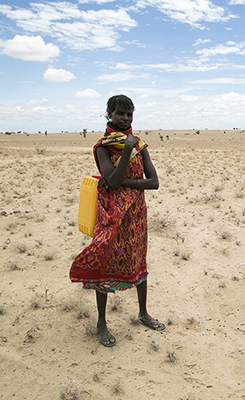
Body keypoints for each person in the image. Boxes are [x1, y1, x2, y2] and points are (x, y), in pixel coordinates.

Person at [70, 94, 164, 347]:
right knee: (105, 260)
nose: (125, 118)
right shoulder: (103, 146)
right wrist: (126, 150)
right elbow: (111, 180)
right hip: (111, 215)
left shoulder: (140, 145)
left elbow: (153, 183)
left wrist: (119, 181)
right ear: (109, 114)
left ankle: (143, 313)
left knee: (138, 260)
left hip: (135, 217)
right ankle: (101, 323)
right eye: (120, 113)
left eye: (129, 114)